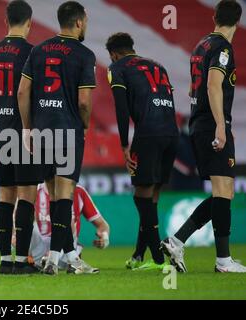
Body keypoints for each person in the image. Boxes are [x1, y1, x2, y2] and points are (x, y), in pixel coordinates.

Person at [161, 0, 246, 273]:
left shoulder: (201, 45)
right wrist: (221, 125)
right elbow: (212, 85)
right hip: (212, 124)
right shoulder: (222, 47)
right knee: (224, 190)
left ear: (214, 17)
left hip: (199, 124)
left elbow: (193, 89)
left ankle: (177, 240)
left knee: (224, 192)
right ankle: (223, 261)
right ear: (238, 21)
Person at [18, 1, 96, 275]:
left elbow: (22, 92)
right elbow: (84, 102)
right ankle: (53, 260)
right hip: (67, 129)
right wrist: (84, 125)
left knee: (52, 195)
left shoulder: (38, 51)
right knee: (65, 194)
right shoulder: (84, 55)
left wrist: (28, 128)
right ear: (78, 22)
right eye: (85, 20)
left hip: (41, 130)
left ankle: (70, 257)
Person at [106, 32, 178, 270]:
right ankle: (138, 255)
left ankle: (159, 257)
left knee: (141, 196)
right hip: (171, 134)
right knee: (152, 196)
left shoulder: (117, 68)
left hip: (148, 135)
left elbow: (121, 108)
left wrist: (124, 144)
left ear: (114, 53)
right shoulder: (159, 66)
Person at [0, 0, 39, 274]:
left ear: (6, 21)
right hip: (25, 132)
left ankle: (4, 260)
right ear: (29, 22)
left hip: (0, 131)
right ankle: (21, 261)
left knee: (6, 197)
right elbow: (31, 95)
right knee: (27, 195)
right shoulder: (33, 53)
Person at [28, 183, 109, 272]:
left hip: (65, 248)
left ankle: (60, 260)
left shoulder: (79, 191)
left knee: (69, 222)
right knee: (29, 221)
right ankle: (35, 260)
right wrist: (14, 236)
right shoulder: (34, 189)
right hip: (39, 249)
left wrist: (105, 238)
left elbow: (102, 225)